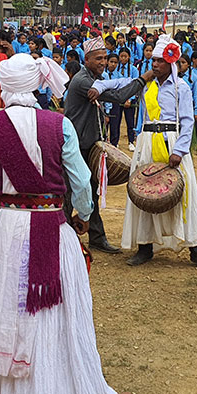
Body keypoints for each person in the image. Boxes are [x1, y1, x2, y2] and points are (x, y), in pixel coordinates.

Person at [0, 53, 130, 394]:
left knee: (12, 300)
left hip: (7, 223)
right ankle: (62, 388)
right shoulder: (58, 124)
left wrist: (0, 196)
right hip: (51, 223)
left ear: (2, 86)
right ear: (37, 85)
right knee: (57, 307)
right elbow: (81, 182)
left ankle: (12, 393)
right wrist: (82, 215)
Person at [89, 34, 197, 271]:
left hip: (172, 144)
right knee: (143, 192)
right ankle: (145, 247)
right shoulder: (147, 84)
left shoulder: (181, 87)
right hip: (146, 142)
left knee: (183, 194)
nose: (154, 64)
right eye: (153, 60)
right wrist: (98, 85)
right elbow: (118, 83)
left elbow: (187, 122)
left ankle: (196, 249)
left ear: (170, 63)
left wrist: (179, 150)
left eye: (159, 61)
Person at [63, 35, 150, 256]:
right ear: (87, 59)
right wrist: (144, 78)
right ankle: (62, 236)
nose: (103, 62)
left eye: (105, 58)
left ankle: (96, 237)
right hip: (75, 146)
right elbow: (120, 96)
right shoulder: (85, 81)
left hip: (87, 143)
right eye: (98, 58)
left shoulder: (95, 79)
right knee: (71, 191)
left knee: (89, 190)